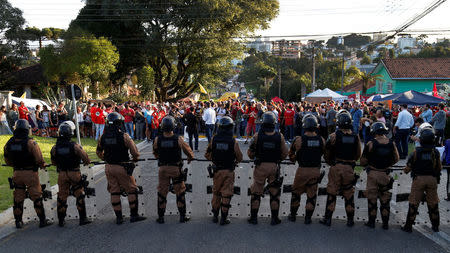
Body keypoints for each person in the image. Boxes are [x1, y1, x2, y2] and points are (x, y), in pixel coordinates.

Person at [96, 112, 146, 224]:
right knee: (132, 189)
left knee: (114, 191)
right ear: (119, 123)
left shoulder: (102, 137)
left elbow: (98, 152)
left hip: (109, 167)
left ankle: (119, 218)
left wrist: (106, 159)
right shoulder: (124, 136)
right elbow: (135, 152)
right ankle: (134, 216)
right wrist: (134, 159)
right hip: (122, 166)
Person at [3, 119, 53, 228]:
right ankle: (42, 220)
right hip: (30, 173)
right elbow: (39, 159)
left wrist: (14, 166)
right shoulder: (31, 142)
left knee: (18, 198)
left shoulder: (9, 142)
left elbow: (7, 159)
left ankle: (18, 222)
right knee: (36, 196)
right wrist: (42, 164)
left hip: (16, 173)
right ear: (26, 129)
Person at [320, 109, 362, 227]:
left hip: (336, 166)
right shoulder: (355, 137)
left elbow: (326, 152)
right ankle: (350, 220)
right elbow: (358, 153)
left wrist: (331, 163)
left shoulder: (333, 136)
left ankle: (327, 219)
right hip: (349, 168)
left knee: (332, 192)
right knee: (349, 193)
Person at [247, 112, 288, 225]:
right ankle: (274, 218)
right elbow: (285, 154)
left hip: (260, 166)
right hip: (274, 167)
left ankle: (254, 218)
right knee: (274, 193)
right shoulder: (279, 136)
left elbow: (250, 153)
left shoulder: (256, 136)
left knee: (256, 193)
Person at [153, 116, 194, 224]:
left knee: (162, 192)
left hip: (162, 169)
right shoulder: (178, 139)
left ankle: (161, 217)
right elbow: (188, 151)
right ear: (173, 126)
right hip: (176, 169)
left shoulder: (158, 139)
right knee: (180, 191)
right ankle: (182, 216)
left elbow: (155, 152)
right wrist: (190, 158)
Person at [51, 121, 91, 227]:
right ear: (70, 133)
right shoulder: (74, 146)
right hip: (74, 173)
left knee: (62, 196)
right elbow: (86, 159)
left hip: (62, 174)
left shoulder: (55, 148)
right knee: (79, 194)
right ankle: (83, 219)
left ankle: (61, 221)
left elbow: (53, 162)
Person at [360, 122, 399, 229]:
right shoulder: (392, 143)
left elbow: (363, 161)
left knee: (372, 198)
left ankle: (371, 222)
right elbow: (397, 158)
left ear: (374, 132)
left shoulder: (370, 144)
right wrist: (388, 164)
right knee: (385, 200)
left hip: (373, 174)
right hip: (385, 174)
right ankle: (385, 224)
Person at [401, 127, 441, 233]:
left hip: (419, 179)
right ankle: (435, 226)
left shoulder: (416, 152)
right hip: (432, 179)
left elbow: (408, 166)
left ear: (422, 139)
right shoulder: (436, 152)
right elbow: (439, 167)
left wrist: (405, 170)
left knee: (414, 202)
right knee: (433, 203)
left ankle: (408, 226)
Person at [205, 116, 243, 225]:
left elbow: (207, 154)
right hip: (229, 171)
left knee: (216, 193)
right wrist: (234, 162)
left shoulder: (214, 139)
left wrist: (215, 160)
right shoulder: (233, 141)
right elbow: (239, 157)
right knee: (226, 194)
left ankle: (215, 216)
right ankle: (224, 218)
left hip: (217, 171)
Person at [287, 114, 325, 224]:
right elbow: (324, 153)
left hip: (302, 170)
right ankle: (308, 218)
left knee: (296, 193)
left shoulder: (298, 140)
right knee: (312, 195)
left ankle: (293, 215)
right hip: (315, 171)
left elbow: (291, 155)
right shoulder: (321, 140)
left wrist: (295, 159)